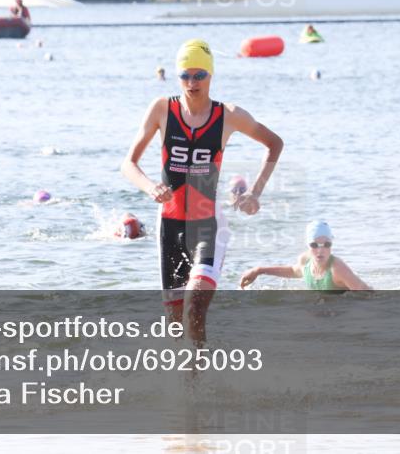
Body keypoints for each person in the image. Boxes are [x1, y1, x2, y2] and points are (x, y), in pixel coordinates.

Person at [121, 38, 284, 345]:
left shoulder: (229, 115)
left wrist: (256, 192)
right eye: (185, 75)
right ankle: (189, 386)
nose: (192, 83)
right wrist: (150, 187)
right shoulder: (161, 109)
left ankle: (198, 391)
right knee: (174, 326)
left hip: (208, 224)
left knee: (194, 306)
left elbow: (275, 143)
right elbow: (128, 164)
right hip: (169, 226)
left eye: (199, 75)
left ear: (211, 76)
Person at [240, 220, 370, 291]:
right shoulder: (305, 260)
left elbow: (367, 294)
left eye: (326, 244)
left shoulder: (337, 269)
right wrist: (259, 270)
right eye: (314, 245)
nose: (321, 250)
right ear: (308, 245)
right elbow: (293, 271)